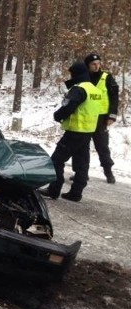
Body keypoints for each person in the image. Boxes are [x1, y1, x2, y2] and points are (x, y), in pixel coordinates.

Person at [40, 62, 101, 202]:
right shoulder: (94, 90)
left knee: (56, 160)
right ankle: (76, 193)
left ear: (76, 74)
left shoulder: (78, 89)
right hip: (88, 131)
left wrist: (57, 115)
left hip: (75, 131)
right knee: (82, 163)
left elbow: (68, 107)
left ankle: (54, 189)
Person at [83, 52, 119, 184]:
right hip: (85, 117)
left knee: (102, 146)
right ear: (87, 65)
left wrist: (112, 115)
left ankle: (108, 172)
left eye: (98, 64)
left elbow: (115, 97)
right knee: (82, 147)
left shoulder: (106, 77)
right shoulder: (83, 78)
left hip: (101, 118)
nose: (96, 66)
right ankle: (82, 173)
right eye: (93, 64)